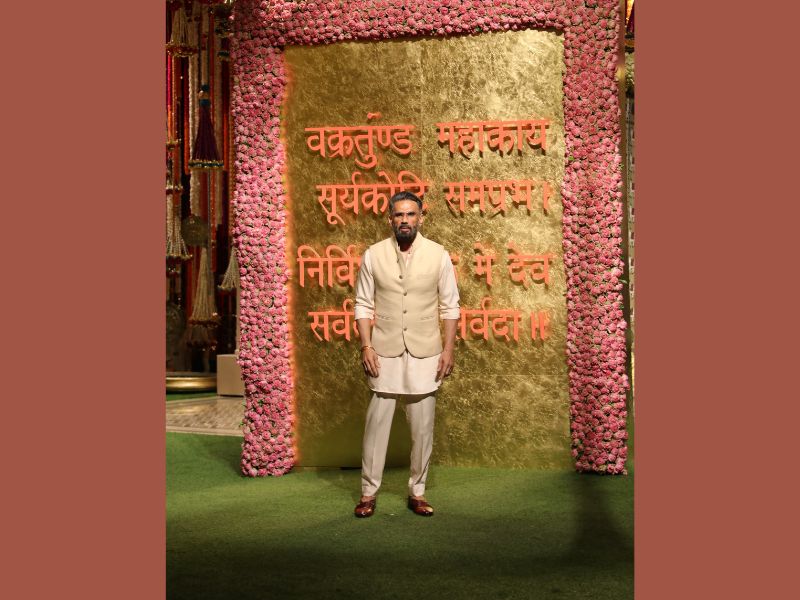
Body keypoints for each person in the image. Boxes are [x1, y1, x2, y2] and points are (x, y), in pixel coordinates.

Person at [352, 191, 460, 518]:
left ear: (421, 218)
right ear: (390, 219)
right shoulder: (374, 255)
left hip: (427, 352)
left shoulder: (438, 255)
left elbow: (450, 306)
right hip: (383, 352)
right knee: (376, 426)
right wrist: (366, 346)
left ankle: (418, 491)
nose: (404, 220)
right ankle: (368, 493)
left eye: (411, 214)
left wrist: (448, 348)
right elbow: (363, 304)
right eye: (399, 215)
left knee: (422, 428)